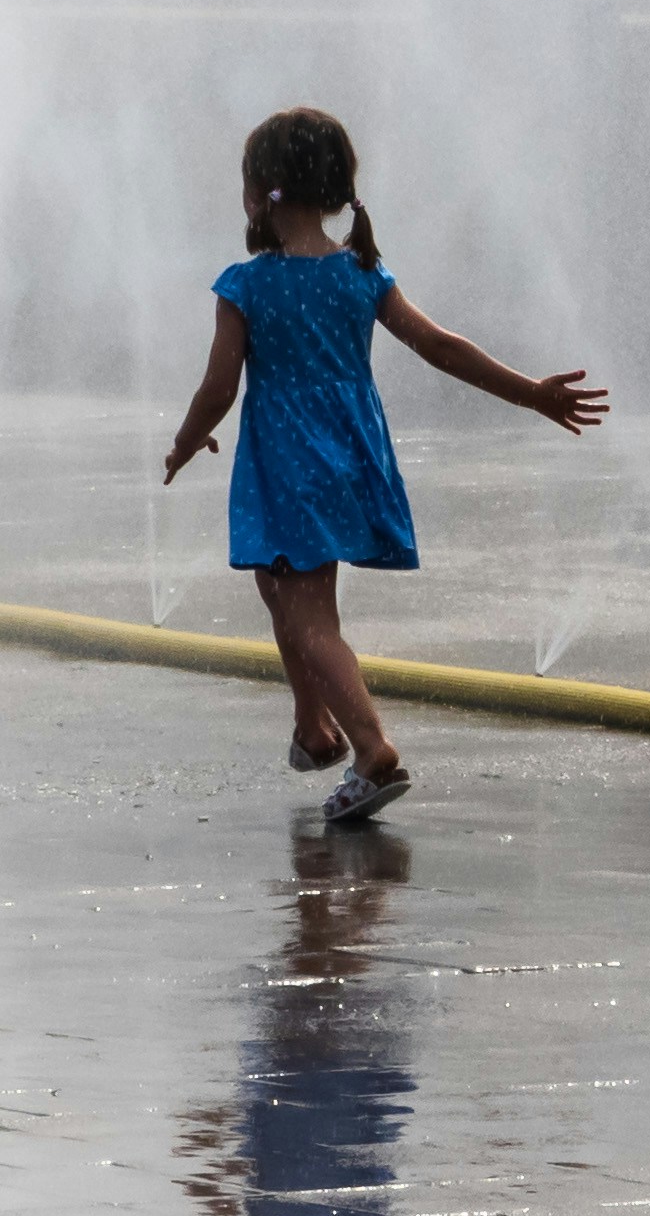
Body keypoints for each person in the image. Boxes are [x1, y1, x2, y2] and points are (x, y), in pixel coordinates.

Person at [163, 108, 607, 823]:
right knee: (283, 592)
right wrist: (530, 393)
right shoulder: (361, 274)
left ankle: (371, 747)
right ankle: (312, 729)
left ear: (259, 192)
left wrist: (186, 441)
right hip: (347, 454)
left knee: (310, 620)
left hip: (286, 462)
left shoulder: (246, 286)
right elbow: (441, 347)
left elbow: (220, 386)